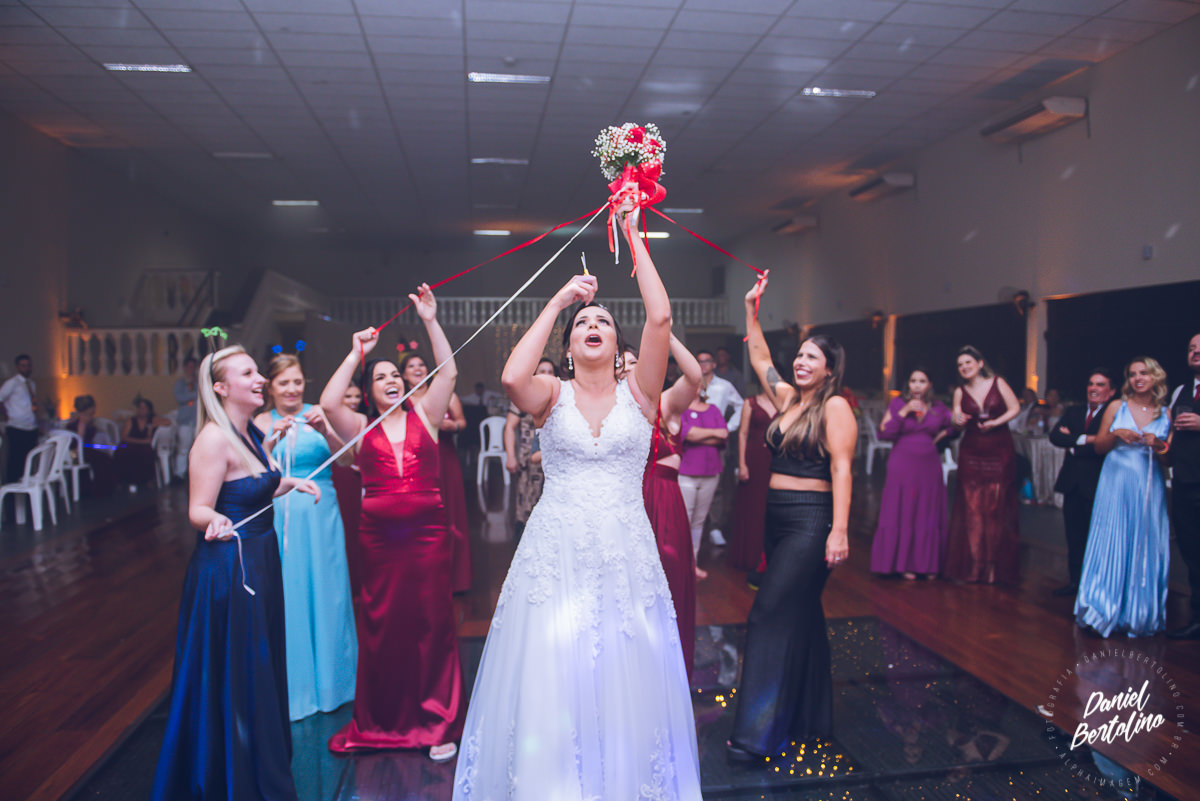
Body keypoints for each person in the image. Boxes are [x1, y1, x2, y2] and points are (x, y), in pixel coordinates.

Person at [453, 200, 701, 799]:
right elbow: (512, 377)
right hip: (555, 549)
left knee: (623, 666)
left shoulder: (642, 394)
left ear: (618, 345)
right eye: (583, 324)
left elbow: (661, 318)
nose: (594, 326)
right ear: (569, 345)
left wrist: (634, 235)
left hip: (624, 549)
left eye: (604, 322)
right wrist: (560, 300)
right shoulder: (549, 394)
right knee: (552, 667)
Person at [150, 345, 319, 801]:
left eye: (256, 372)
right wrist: (214, 520)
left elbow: (254, 484)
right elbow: (198, 509)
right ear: (222, 388)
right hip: (229, 571)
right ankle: (228, 773)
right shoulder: (213, 439)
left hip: (261, 563)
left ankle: (257, 765)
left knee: (258, 669)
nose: (260, 378)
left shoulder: (247, 433)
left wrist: (291, 482)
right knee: (237, 672)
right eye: (248, 374)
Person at [320, 284, 462, 762]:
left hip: (427, 538)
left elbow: (450, 370)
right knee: (383, 626)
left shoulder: (426, 414)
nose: (391, 380)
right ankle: (384, 720)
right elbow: (327, 400)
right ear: (370, 388)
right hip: (379, 542)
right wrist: (356, 352)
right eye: (380, 376)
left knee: (431, 623)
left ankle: (437, 722)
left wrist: (430, 319)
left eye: (394, 375)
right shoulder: (359, 429)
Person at [727, 275, 857, 761]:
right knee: (800, 614)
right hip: (777, 518)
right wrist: (751, 313)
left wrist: (839, 531)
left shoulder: (836, 407)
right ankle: (807, 718)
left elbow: (843, 470)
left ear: (828, 370)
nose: (800, 362)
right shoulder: (788, 401)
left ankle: (754, 736)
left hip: (812, 521)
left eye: (811, 358)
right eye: (799, 355)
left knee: (767, 614)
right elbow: (761, 358)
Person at [253, 354, 357, 722]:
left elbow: (346, 461)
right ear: (270, 386)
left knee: (327, 590)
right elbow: (251, 474)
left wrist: (326, 430)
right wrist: (267, 444)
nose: (293, 389)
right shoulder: (259, 422)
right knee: (288, 591)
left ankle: (334, 685)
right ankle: (294, 687)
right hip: (279, 515)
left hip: (320, 511)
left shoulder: (321, 412)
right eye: (284, 383)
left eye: (297, 382)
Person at [1074, 358, 1171, 637]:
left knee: (1145, 541)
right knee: (1112, 539)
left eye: (1143, 373)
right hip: (1115, 482)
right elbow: (1100, 447)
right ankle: (1101, 607)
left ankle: (1138, 614)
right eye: (1132, 374)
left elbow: (1168, 457)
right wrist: (1116, 433)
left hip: (1148, 485)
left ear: (1155, 377)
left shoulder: (1166, 412)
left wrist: (1159, 445)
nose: (1137, 378)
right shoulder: (1117, 407)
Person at [632, 335, 702, 679]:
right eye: (624, 367)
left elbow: (694, 377)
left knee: (669, 579)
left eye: (637, 365)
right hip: (629, 499)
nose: (631, 372)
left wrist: (666, 332)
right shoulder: (616, 409)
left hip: (664, 500)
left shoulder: (664, 403)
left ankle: (667, 673)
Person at [944, 346, 1021, 584]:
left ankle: (994, 568)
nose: (964, 367)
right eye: (960, 365)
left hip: (998, 450)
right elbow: (956, 419)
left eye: (968, 362)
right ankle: (975, 566)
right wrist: (957, 420)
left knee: (995, 509)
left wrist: (996, 422)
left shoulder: (998, 383)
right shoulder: (960, 391)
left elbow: (1015, 407)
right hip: (972, 450)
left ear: (979, 364)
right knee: (973, 510)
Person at [398, 351, 472, 593]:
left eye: (421, 364)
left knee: (448, 514)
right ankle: (421, 579)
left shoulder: (445, 395)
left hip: (445, 458)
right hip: (415, 463)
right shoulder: (400, 400)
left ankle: (454, 579)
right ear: (404, 373)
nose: (418, 369)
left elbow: (463, 423)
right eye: (411, 366)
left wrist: (451, 425)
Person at [870, 369, 953, 580]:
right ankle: (903, 563)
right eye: (913, 381)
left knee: (926, 509)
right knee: (904, 507)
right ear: (908, 385)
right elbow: (884, 432)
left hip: (929, 464)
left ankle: (927, 564)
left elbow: (953, 427)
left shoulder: (938, 408)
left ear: (929, 385)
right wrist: (904, 410)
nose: (917, 385)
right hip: (902, 464)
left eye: (922, 381)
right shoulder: (898, 404)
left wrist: (936, 439)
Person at [1047, 369, 1116, 597]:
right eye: (1090, 383)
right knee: (1073, 536)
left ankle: (1095, 586)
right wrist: (1086, 438)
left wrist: (1074, 440)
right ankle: (1075, 583)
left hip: (1099, 483)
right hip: (1072, 483)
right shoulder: (1075, 411)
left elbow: (1106, 446)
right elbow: (1056, 437)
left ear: (1111, 391)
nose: (1093, 388)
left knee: (1097, 537)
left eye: (1100, 384)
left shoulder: (1113, 413)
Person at [1167, 333, 1200, 639]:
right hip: (1184, 483)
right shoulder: (1181, 390)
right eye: (1191, 348)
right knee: (1191, 553)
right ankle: (1197, 619)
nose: (1195, 352)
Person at [503, 357, 558, 536]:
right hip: (528, 456)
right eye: (542, 371)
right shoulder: (523, 396)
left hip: (554, 457)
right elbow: (510, 427)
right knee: (526, 498)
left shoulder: (558, 396)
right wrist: (510, 456)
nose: (547, 375)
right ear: (534, 374)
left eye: (550, 372)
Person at [679, 383, 728, 578]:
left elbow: (723, 435)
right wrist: (712, 434)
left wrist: (697, 435)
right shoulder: (680, 409)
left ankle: (692, 564)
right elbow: (686, 434)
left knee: (699, 522)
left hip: (710, 473)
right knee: (684, 520)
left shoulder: (713, 409)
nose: (695, 386)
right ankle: (679, 565)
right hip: (686, 473)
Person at [695, 348, 743, 546]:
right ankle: (694, 526)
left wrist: (729, 427)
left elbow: (741, 405)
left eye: (706, 361)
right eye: (699, 361)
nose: (702, 365)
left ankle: (714, 527)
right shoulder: (690, 384)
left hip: (717, 442)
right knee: (691, 484)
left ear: (714, 364)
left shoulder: (724, 386)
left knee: (717, 486)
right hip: (692, 441)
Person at [730, 383, 776, 576]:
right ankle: (749, 555)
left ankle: (772, 557)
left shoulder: (786, 402)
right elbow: (742, 434)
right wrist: (742, 464)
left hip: (776, 458)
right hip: (754, 457)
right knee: (753, 505)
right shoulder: (751, 403)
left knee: (772, 505)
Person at [65, 394, 116, 497]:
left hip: (83, 449)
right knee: (104, 459)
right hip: (76, 453)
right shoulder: (80, 423)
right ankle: (100, 490)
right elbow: (78, 443)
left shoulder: (86, 420)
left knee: (104, 456)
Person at [1, 354, 38, 492]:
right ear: (17, 367)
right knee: (15, 459)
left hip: (30, 427)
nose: (26, 368)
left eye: (28, 365)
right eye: (23, 365)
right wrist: (7, 415)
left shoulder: (31, 384)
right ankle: (12, 489)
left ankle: (27, 485)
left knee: (29, 459)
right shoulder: (12, 383)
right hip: (17, 427)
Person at [114, 397, 168, 490]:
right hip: (131, 443)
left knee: (147, 453)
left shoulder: (152, 420)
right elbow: (124, 436)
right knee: (121, 452)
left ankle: (147, 480)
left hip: (145, 447)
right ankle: (121, 481)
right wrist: (142, 442)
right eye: (139, 408)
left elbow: (168, 422)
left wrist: (153, 426)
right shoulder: (131, 420)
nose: (141, 410)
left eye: (143, 408)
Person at [173, 355, 199, 477]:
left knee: (199, 450)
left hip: (198, 421)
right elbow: (180, 398)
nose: (191, 369)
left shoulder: (199, 382)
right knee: (183, 449)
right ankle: (180, 473)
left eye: (193, 367)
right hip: (184, 422)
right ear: (185, 368)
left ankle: (196, 473)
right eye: (189, 367)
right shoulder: (180, 383)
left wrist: (191, 399)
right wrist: (193, 396)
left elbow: (203, 396)